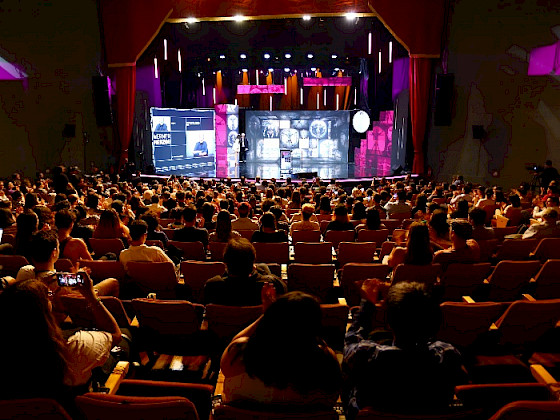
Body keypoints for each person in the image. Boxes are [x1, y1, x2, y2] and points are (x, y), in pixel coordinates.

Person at [343, 280, 467, 418]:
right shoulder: (447, 355)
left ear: (389, 323)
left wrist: (367, 305)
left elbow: (350, 345)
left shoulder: (368, 355)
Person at [0, 276, 121, 402]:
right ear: (45, 309)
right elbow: (114, 334)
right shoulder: (74, 346)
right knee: (123, 339)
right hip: (75, 411)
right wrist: (91, 296)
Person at [221, 289, 341, 409]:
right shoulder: (328, 361)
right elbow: (331, 401)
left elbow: (234, 344)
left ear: (271, 319)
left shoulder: (238, 354)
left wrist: (267, 314)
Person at [15, 230, 120, 322]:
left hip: (33, 319)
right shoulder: (64, 280)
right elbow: (84, 292)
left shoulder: (24, 272)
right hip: (63, 317)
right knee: (112, 282)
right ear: (54, 253)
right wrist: (78, 277)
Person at [204, 238, 286, 305]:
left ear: (226, 263)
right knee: (263, 267)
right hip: (261, 325)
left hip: (224, 324)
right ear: (253, 263)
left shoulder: (212, 286)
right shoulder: (271, 285)